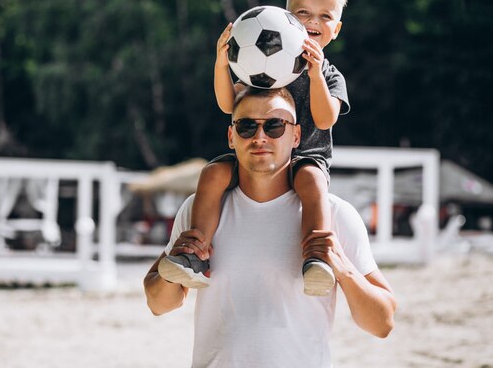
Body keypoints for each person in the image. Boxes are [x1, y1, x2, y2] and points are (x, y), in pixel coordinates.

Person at [144, 86, 396, 367]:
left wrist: (345, 270)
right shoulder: (199, 208)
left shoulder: (334, 214)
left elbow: (383, 323)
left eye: (275, 125)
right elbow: (157, 304)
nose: (259, 137)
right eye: (246, 126)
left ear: (297, 135)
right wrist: (169, 273)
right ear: (231, 136)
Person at [158, 0, 349, 296]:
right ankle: (194, 254)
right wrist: (221, 63)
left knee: (313, 182)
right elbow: (228, 104)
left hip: (306, 159)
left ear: (337, 28)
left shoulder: (330, 75)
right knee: (213, 172)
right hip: (256, 156)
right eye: (304, 13)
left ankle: (317, 257)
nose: (314, 21)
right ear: (288, 18)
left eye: (325, 15)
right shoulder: (265, 63)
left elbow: (325, 117)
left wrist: (315, 74)